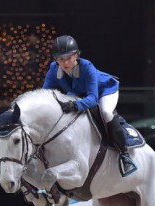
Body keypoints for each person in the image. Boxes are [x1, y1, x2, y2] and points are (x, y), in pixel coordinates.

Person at [42, 35, 137, 177]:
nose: (65, 62)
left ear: (76, 55)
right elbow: (45, 94)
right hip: (79, 94)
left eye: (69, 57)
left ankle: (125, 155)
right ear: (55, 59)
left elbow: (93, 99)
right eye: (61, 59)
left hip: (104, 90)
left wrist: (74, 105)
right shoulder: (53, 69)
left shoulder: (87, 66)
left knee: (106, 113)